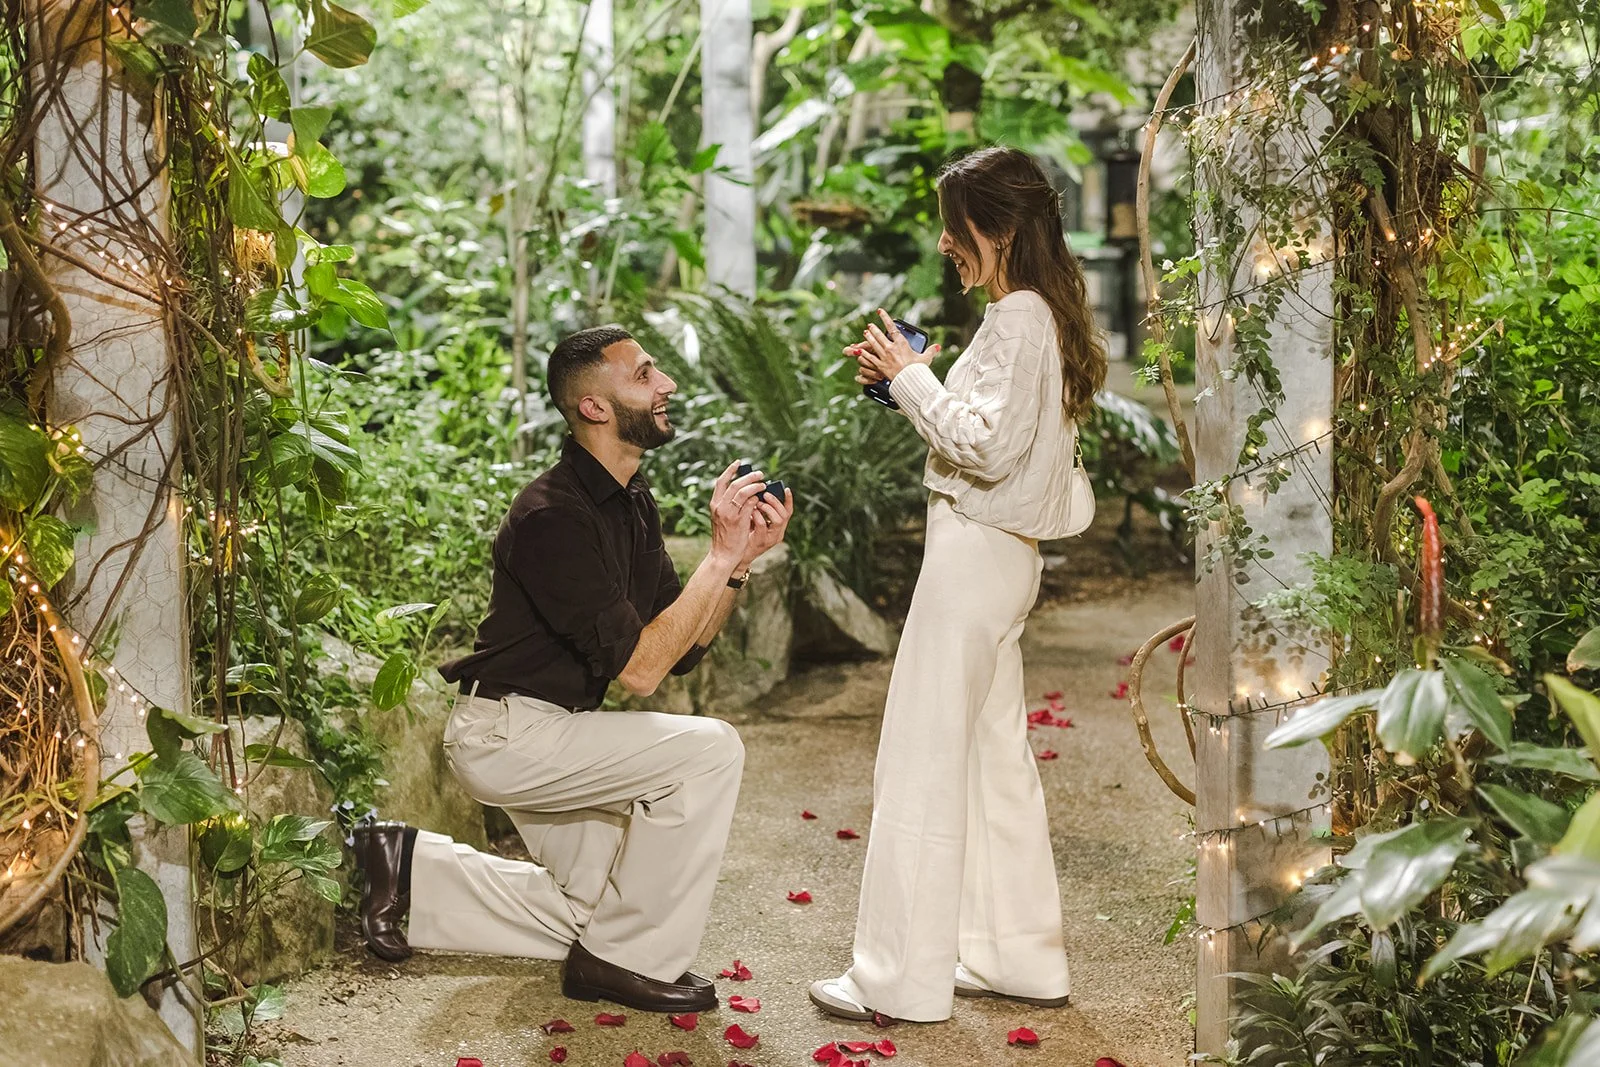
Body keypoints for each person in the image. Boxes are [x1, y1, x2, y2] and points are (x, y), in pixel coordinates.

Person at [353, 324, 794, 1015]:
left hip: (554, 734)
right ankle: (628, 961)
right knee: (712, 751)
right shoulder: (550, 515)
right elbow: (642, 672)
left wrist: (737, 563)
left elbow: (685, 650)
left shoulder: (631, 501)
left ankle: (406, 868)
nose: (666, 384)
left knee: (602, 906)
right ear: (594, 406)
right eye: (646, 375)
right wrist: (716, 552)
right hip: (506, 736)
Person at [809, 146, 1106, 1024]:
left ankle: (895, 977)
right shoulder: (1034, 314)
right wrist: (903, 388)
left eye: (956, 224)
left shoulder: (1018, 317)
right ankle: (1019, 957)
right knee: (990, 758)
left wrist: (909, 375)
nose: (945, 243)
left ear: (1001, 228)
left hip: (974, 557)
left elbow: (981, 447)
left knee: (923, 758)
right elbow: (984, 435)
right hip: (999, 555)